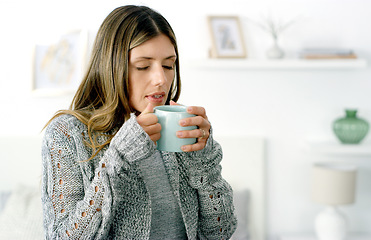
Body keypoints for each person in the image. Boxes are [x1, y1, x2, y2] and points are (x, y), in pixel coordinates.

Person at [41, 5, 237, 240]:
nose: (161, 79)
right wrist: (119, 157)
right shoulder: (66, 134)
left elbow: (219, 232)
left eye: (168, 65)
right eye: (143, 66)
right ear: (111, 67)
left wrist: (204, 161)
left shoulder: (180, 127)